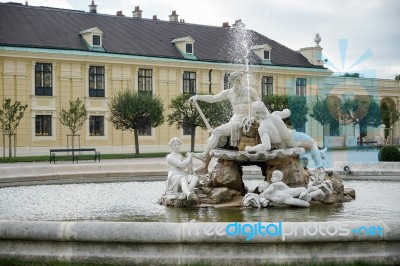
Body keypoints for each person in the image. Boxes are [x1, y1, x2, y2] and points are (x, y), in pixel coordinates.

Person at [189, 71, 260, 166]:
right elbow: (213, 98)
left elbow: (259, 105)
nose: (237, 83)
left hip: (247, 121)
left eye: (239, 81)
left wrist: (254, 118)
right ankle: (204, 162)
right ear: (231, 82)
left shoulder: (250, 91)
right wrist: (198, 97)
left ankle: (204, 155)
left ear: (241, 80)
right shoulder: (228, 93)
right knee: (215, 135)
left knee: (216, 132)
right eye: (235, 81)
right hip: (235, 120)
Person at [245, 101, 327, 169]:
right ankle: (320, 166)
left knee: (308, 148)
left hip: (283, 147)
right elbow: (288, 112)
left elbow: (266, 146)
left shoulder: (262, 128)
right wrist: (285, 109)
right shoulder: (275, 114)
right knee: (312, 144)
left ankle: (320, 153)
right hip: (293, 140)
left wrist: (251, 148)